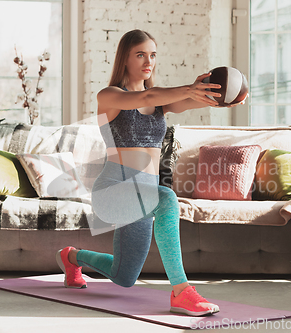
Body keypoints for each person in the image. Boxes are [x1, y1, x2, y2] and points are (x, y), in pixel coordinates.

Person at [56, 29, 246, 316]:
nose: (149, 61)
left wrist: (223, 98)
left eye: (153, 55)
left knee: (124, 276)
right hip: (113, 191)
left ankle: (71, 257)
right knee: (167, 198)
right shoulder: (109, 96)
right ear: (125, 60)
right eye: (141, 54)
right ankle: (182, 292)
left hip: (143, 196)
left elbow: (188, 100)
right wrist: (187, 88)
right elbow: (149, 93)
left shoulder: (160, 102)